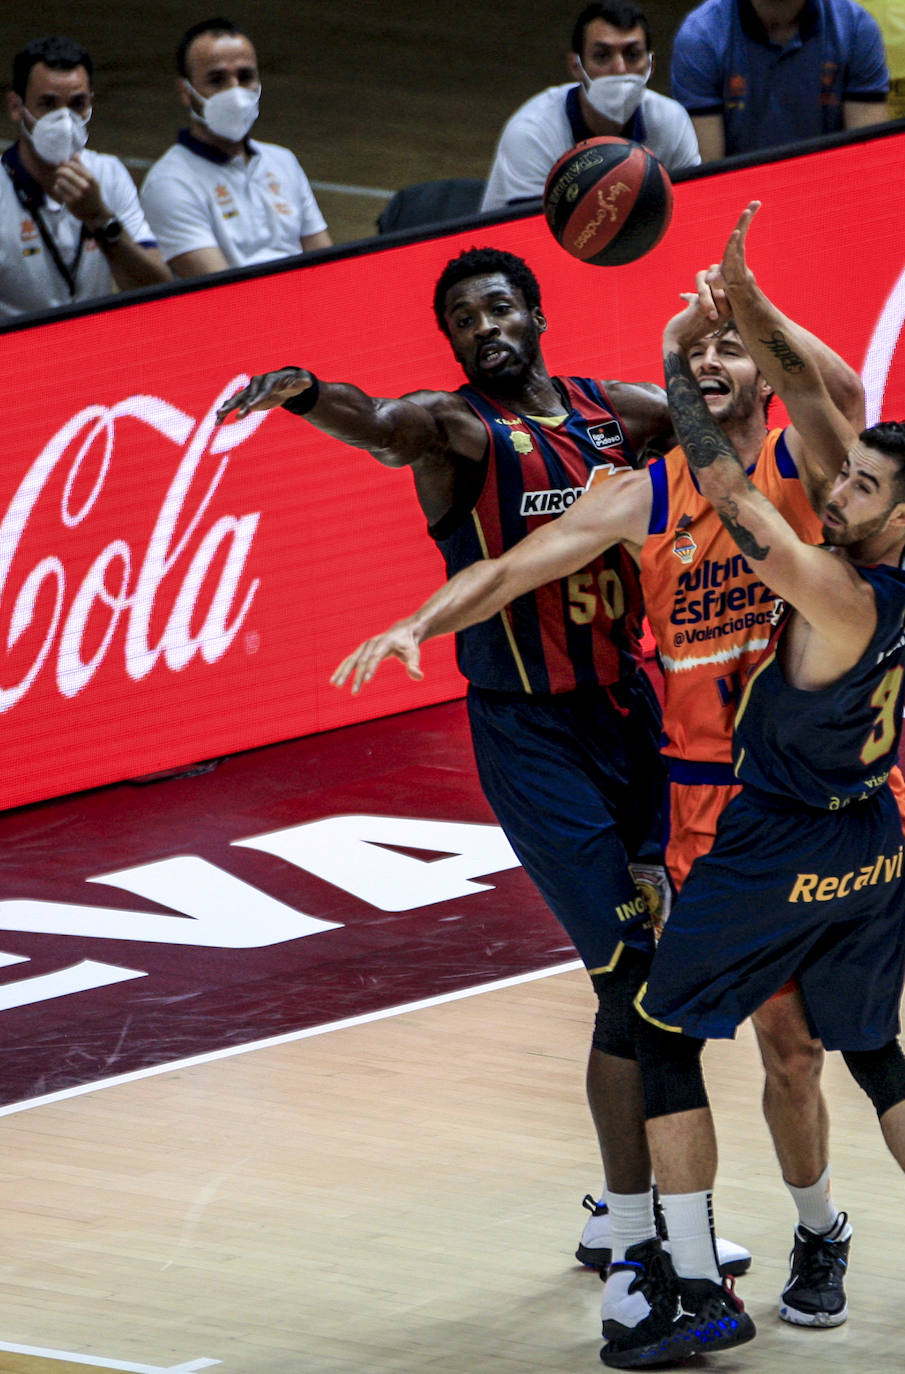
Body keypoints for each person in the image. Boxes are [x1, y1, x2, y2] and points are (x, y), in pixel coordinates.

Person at [332, 205, 905, 1360]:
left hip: (840, 789)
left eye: (730, 354)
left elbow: (844, 397)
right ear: (675, 388)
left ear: (757, 376)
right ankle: (825, 1238)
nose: (711, 365)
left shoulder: (807, 472)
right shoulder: (638, 495)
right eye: (695, 355)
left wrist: (748, 308)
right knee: (796, 1053)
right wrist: (419, 617)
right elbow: (512, 566)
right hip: (713, 805)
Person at [216, 242, 750, 1291]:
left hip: (634, 716)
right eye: (464, 319)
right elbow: (380, 426)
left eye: (499, 308)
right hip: (530, 737)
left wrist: (717, 340)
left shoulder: (621, 413)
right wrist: (303, 393)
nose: (485, 328)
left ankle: (624, 1217)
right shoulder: (458, 430)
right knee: (629, 976)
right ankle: (642, 1231)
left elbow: (721, 429)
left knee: (655, 980)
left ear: (538, 311)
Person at [140, 17, 332, 279]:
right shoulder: (169, 183)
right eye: (217, 80)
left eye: (245, 77)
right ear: (186, 92)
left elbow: (327, 267)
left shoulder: (283, 161)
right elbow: (222, 294)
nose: (235, 91)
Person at [0, 35, 170, 323]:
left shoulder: (109, 173)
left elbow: (158, 290)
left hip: (96, 346)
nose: (65, 122)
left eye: (77, 104)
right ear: (17, 107)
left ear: (91, 103)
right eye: (48, 104)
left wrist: (101, 220)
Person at [480, 1, 700, 213]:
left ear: (651, 64)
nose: (620, 69)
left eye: (632, 55)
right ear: (576, 66)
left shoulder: (672, 121)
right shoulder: (532, 132)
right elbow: (531, 237)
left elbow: (692, 210)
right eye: (602, 56)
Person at [670, 0, 890, 163]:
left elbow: (867, 160)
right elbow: (709, 172)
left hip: (832, 193)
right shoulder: (700, 37)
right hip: (741, 201)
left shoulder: (856, 27)